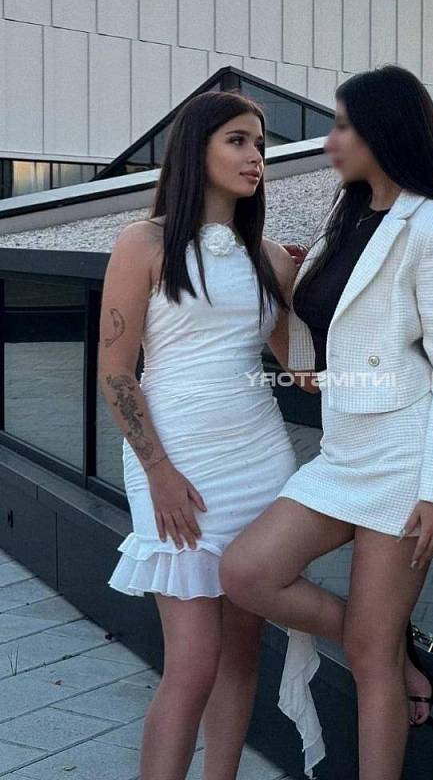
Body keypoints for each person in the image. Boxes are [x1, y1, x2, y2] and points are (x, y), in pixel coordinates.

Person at [219, 64, 433, 780]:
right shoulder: (345, 221)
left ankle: (381, 653)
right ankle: (388, 647)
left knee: (367, 658)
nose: (330, 140)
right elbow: (320, 340)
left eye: (341, 125)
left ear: (382, 131)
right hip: (344, 449)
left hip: (405, 456)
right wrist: (286, 285)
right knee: (247, 571)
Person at [99, 89, 307, 780]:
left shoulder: (272, 259)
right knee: (192, 663)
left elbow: (305, 372)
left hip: (260, 460)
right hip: (174, 460)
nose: (255, 158)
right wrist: (158, 472)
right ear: (198, 149)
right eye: (238, 141)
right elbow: (116, 373)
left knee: (241, 656)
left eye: (261, 146)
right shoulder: (143, 243)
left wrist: (325, 285)